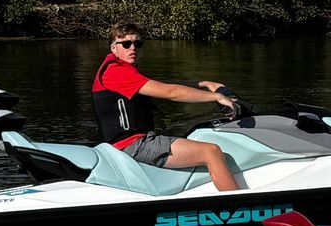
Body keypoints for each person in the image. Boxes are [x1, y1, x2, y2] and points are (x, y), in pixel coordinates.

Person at [92, 22, 242, 191]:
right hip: (133, 145)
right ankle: (236, 208)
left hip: (131, 143)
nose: (132, 48)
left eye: (137, 44)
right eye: (126, 44)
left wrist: (203, 83)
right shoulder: (117, 72)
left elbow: (162, 84)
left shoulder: (123, 70)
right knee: (211, 152)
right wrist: (216, 97)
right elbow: (171, 92)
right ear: (114, 48)